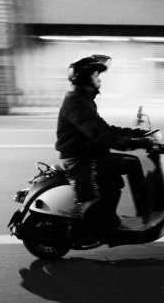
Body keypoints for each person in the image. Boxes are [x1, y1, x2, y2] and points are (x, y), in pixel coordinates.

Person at [56, 54, 154, 229]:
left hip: (86, 156)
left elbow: (106, 129)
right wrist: (137, 143)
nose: (99, 80)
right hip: (79, 161)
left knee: (115, 181)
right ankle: (145, 215)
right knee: (132, 164)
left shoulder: (83, 100)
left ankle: (111, 218)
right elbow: (99, 136)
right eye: (95, 75)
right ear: (86, 78)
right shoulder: (76, 102)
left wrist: (139, 134)